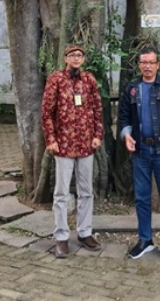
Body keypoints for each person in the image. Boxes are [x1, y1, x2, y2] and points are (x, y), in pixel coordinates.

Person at [118, 45, 160, 261]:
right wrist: (126, 135)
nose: (147, 66)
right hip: (141, 150)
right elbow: (124, 117)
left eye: (151, 62)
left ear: (158, 64)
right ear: (139, 65)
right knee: (142, 198)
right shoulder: (131, 88)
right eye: (143, 62)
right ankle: (145, 239)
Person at [41, 44, 104, 258]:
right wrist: (51, 139)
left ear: (83, 59)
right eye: (72, 55)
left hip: (86, 144)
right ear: (65, 58)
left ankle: (85, 232)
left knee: (86, 191)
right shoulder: (56, 79)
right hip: (64, 145)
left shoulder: (89, 80)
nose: (76, 58)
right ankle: (61, 236)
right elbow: (47, 113)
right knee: (61, 193)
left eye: (80, 55)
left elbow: (97, 109)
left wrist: (98, 135)